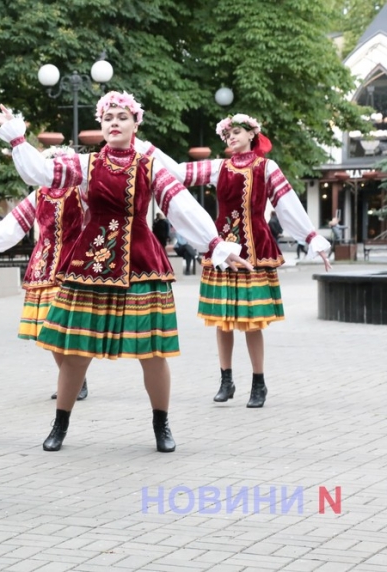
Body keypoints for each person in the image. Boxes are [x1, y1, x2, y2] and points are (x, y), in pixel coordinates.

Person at [0, 92, 251, 453]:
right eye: (108, 117)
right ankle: (59, 424)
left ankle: (161, 424)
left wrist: (215, 244)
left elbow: (181, 207)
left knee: (152, 352)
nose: (114, 122)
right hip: (90, 265)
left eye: (122, 117)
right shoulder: (84, 164)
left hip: (140, 263)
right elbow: (39, 172)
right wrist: (17, 137)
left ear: (135, 124)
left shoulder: (150, 165)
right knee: (75, 350)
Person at [136, 113, 331, 407]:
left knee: (252, 322)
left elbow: (288, 204)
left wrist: (311, 237)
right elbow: (178, 172)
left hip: (255, 251)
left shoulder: (267, 168)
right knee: (223, 321)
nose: (231, 137)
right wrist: (142, 146)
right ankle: (226, 379)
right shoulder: (218, 167)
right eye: (227, 134)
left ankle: (258, 383)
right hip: (223, 251)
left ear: (252, 134)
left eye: (237, 131)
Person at [0, 145, 89, 401]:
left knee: (71, 327)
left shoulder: (82, 192)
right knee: (50, 327)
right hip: (44, 267)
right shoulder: (38, 196)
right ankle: (75, 378)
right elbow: (13, 226)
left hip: (73, 266)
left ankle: (75, 377)